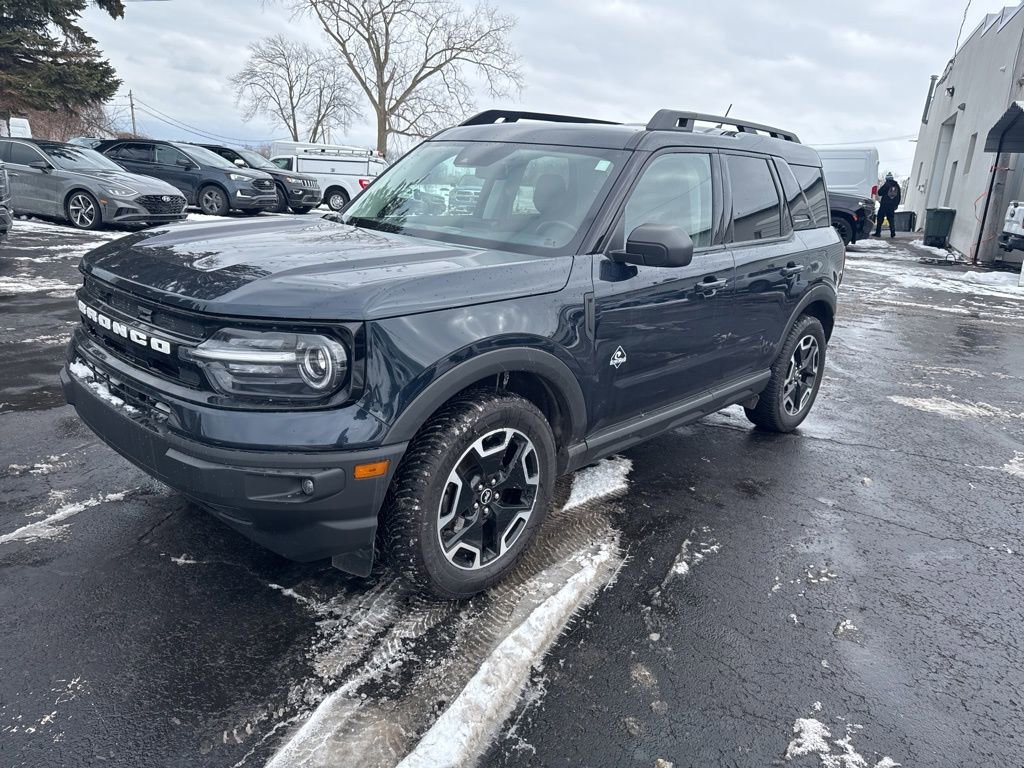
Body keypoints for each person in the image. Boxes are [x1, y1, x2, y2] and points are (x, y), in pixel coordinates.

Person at [875, 172, 901, 238]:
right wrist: (896, 205)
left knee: (880, 218)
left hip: (884, 204)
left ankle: (878, 233)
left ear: (887, 179)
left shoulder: (886, 185)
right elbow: (899, 196)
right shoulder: (897, 186)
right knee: (891, 219)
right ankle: (893, 232)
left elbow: (879, 192)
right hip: (892, 206)